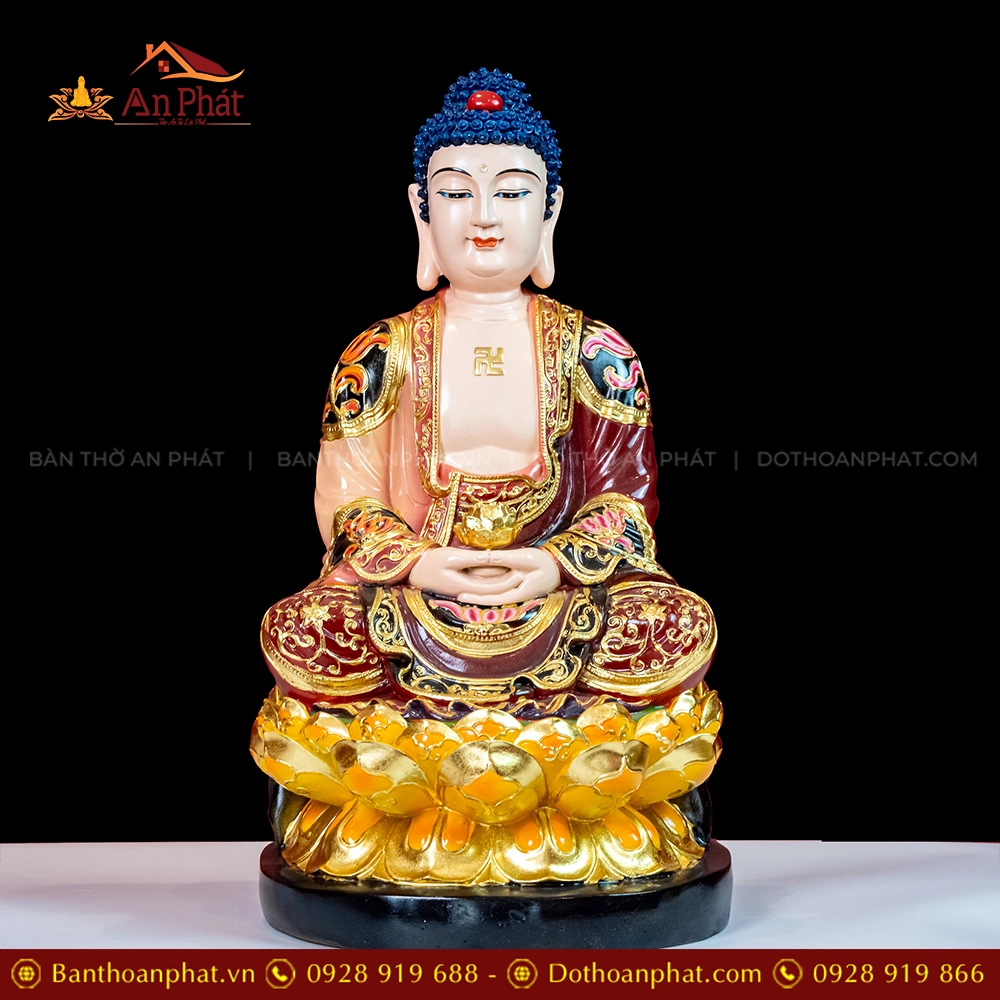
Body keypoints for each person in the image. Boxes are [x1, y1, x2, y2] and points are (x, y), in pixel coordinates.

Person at [259, 69, 717, 718]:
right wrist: (420, 563)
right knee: (305, 632)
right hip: (413, 589)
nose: (483, 217)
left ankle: (436, 736)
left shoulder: (597, 351)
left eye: (511, 192)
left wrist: (554, 563)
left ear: (550, 209)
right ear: (420, 210)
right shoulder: (380, 352)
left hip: (561, 591)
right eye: (454, 193)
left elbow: (626, 500)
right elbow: (348, 502)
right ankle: (552, 736)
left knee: (672, 626)